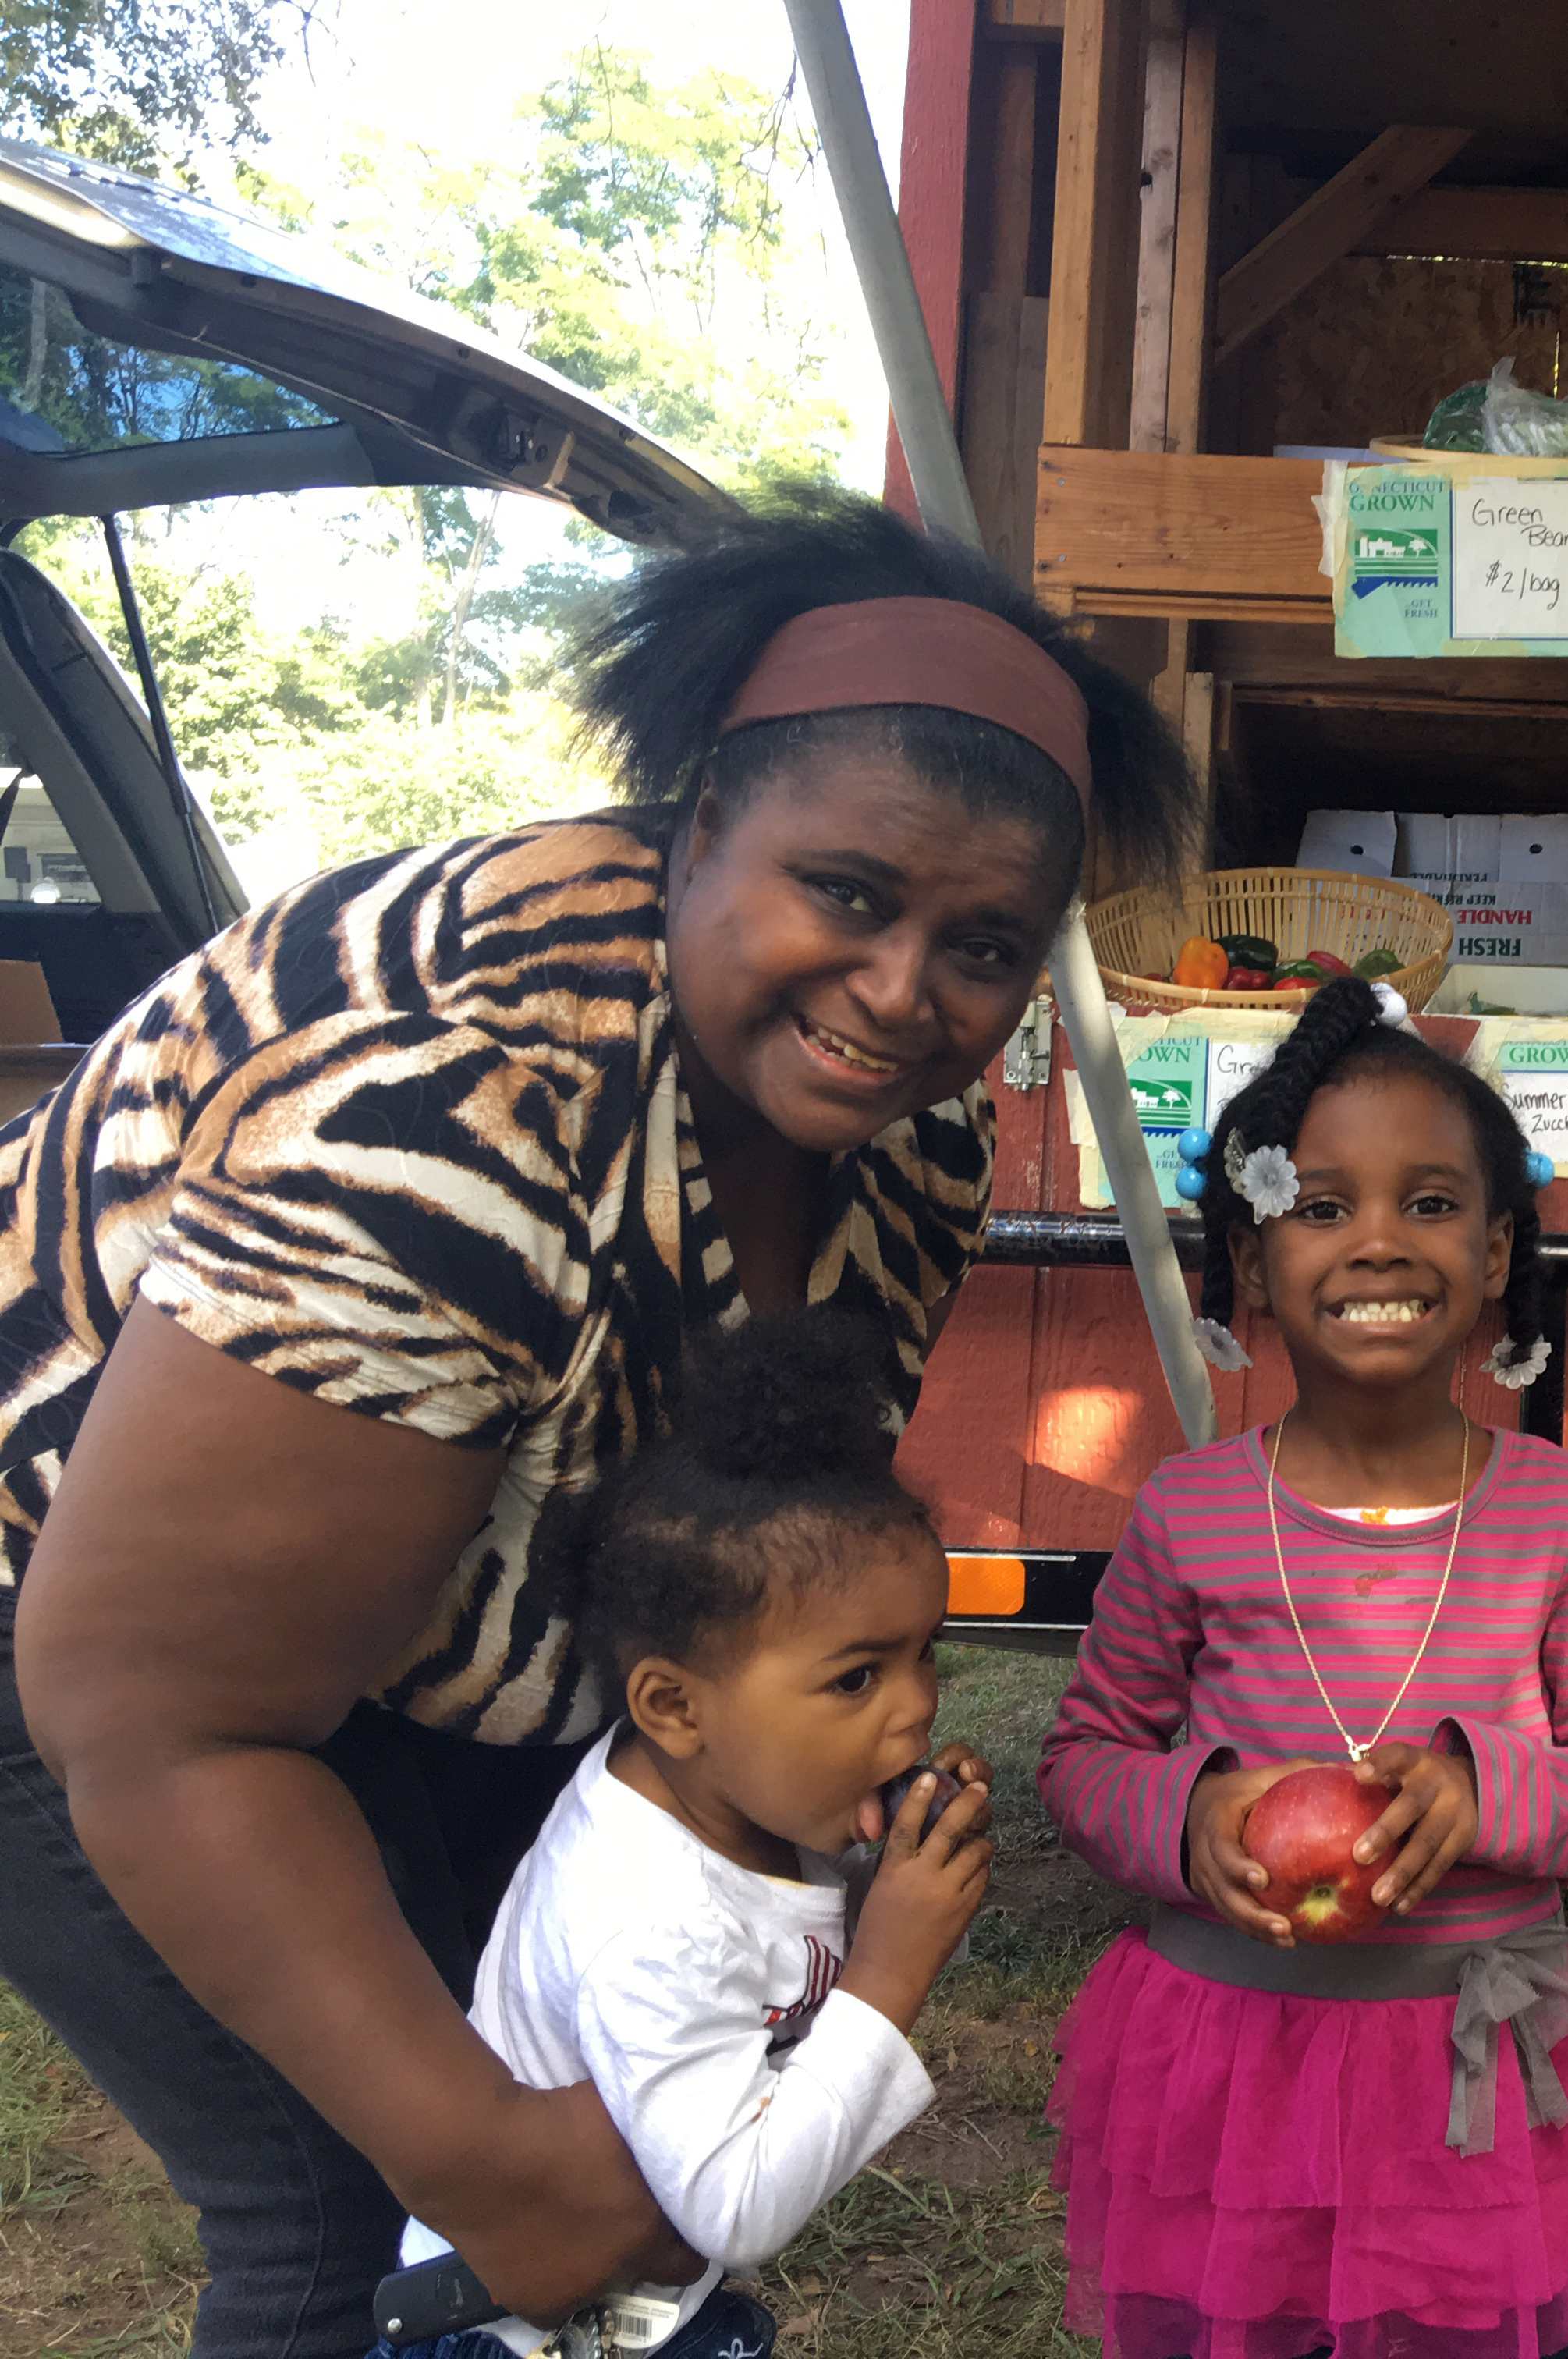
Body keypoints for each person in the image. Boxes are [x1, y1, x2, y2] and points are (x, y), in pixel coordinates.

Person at [0, 487, 1190, 2358]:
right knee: (360, 2211)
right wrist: (480, 2153)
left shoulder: (909, 1129)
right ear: (702, 819)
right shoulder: (463, 1106)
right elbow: (153, 1713)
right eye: (851, 896)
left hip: (402, 1633)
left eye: (985, 944)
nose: (902, 996)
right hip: (87, 1655)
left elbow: (740, 1550)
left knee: (620, 2149)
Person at [1040, 973, 1568, 2359]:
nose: (1380, 1244)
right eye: (1324, 1206)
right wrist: (1192, 1814)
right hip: (1230, 2067)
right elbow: (1086, 1758)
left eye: (1434, 1204)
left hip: (1462, 2075)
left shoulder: (1557, 1511)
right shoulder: (1191, 1507)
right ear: (1251, 1254)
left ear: (1502, 1251)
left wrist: (1490, 1797)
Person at [371, 1311, 995, 2359]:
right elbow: (736, 2209)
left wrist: (889, 1858)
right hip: (530, 2331)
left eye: (923, 1654)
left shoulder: (722, 1787)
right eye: (857, 1677)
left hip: (628, 2299)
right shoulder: (653, 1920)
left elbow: (778, 1925)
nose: (916, 1710)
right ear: (674, 1708)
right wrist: (891, 1968)